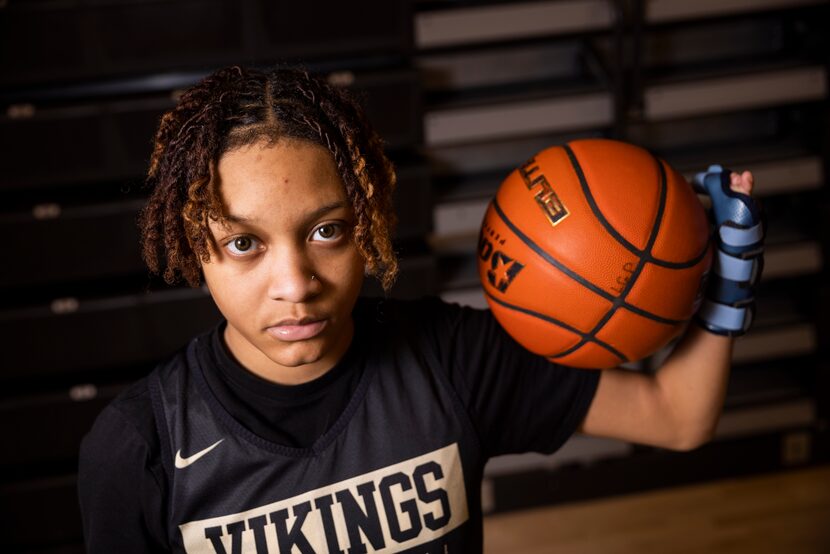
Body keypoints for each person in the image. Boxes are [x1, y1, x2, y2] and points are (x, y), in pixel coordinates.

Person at [78, 65, 762, 553]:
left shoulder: (451, 359)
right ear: (197, 248)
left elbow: (677, 417)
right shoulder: (139, 448)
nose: (295, 282)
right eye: (244, 243)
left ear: (366, 222)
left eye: (326, 231)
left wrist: (727, 282)